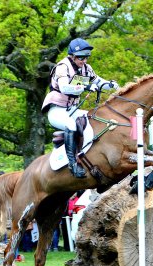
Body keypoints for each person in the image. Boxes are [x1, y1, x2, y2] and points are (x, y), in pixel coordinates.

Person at [41, 38, 119, 178]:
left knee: (94, 118)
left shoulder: (86, 69)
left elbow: (99, 82)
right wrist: (85, 87)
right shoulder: (62, 67)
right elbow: (65, 87)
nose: (84, 60)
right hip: (57, 111)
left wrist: (111, 85)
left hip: (73, 110)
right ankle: (73, 165)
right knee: (71, 125)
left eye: (86, 57)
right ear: (72, 56)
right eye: (80, 57)